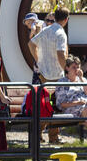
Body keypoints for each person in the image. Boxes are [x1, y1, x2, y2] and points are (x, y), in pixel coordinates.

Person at [28, 7, 70, 143]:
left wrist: (39, 60)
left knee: (45, 106)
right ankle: (53, 137)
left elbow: (31, 44)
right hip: (57, 74)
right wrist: (67, 70)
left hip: (44, 74)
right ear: (66, 19)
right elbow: (60, 54)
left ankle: (38, 134)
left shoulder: (46, 30)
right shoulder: (60, 33)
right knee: (56, 107)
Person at [55, 56, 87, 150]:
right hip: (73, 108)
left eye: (78, 67)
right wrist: (77, 102)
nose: (77, 69)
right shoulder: (62, 82)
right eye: (74, 67)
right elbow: (61, 104)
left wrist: (82, 78)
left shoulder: (82, 79)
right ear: (67, 68)